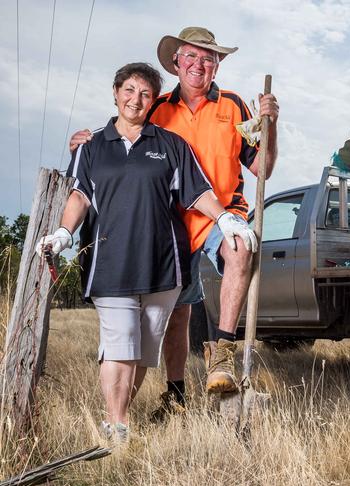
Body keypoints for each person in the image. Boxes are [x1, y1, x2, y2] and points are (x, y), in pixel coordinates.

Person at [70, 27, 279, 421]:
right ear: (176, 63)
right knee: (179, 313)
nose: (199, 65)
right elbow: (120, 135)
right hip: (171, 222)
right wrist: (84, 141)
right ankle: (177, 392)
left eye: (207, 58)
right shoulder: (158, 106)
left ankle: (221, 351)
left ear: (216, 65)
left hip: (221, 212)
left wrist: (271, 125)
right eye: (191, 57)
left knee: (240, 249)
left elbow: (261, 167)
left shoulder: (234, 106)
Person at [45, 62, 255, 442]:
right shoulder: (92, 146)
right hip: (112, 261)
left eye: (144, 93)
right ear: (115, 92)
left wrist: (226, 219)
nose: (135, 99)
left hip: (163, 264)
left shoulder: (171, 145)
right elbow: (79, 193)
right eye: (128, 90)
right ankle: (117, 425)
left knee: (143, 349)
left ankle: (120, 418)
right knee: (120, 340)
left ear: (152, 100)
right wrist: (64, 230)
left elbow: (197, 191)